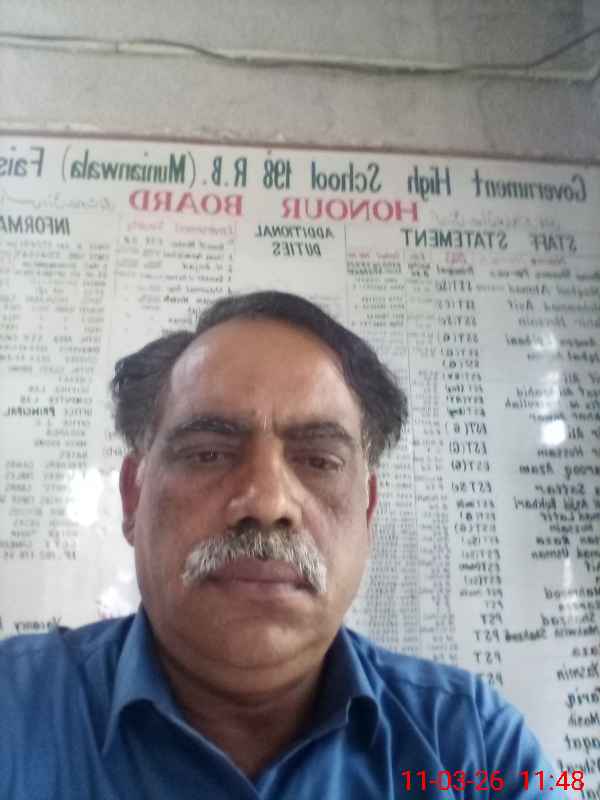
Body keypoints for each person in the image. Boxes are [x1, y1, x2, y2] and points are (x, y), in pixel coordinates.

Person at [0, 290, 557, 799]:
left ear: (367, 512)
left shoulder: (478, 751)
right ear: (132, 497)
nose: (268, 503)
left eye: (318, 461)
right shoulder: (13, 714)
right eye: (207, 454)